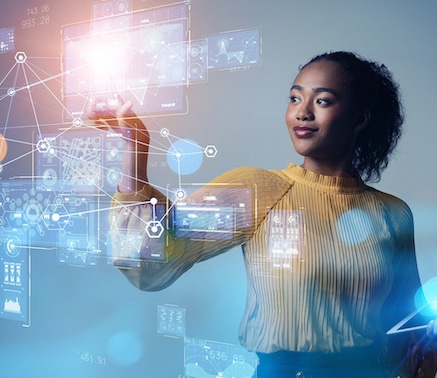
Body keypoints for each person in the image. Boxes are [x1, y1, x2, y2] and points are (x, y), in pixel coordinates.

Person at [105, 51, 437, 377]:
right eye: (294, 99)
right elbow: (149, 260)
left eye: (322, 101)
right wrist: (135, 144)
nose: (302, 113)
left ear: (360, 118)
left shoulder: (393, 214)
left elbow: (410, 326)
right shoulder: (258, 190)